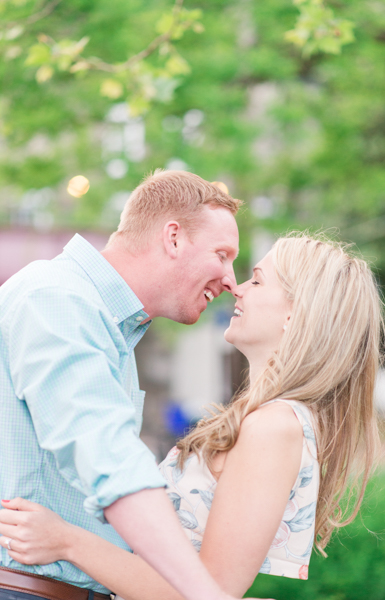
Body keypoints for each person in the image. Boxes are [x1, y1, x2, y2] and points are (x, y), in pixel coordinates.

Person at [0, 233, 384, 599]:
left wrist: (67, 541)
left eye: (257, 281)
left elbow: (209, 592)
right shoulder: (266, 420)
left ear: (294, 314)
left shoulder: (274, 427)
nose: (238, 287)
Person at [0, 170, 248, 600]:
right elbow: (108, 460)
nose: (231, 280)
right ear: (173, 238)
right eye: (222, 254)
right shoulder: (58, 298)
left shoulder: (106, 325)